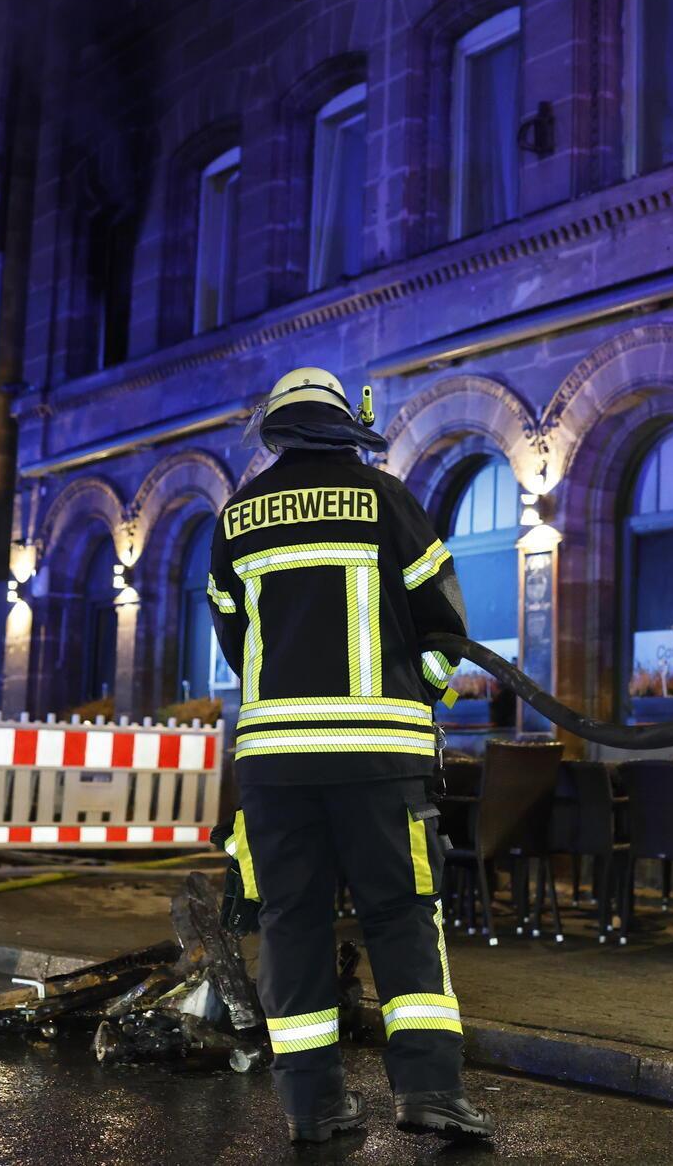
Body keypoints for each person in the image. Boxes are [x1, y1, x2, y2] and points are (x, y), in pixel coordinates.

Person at [209, 366, 493, 1144]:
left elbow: (236, 640)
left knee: (292, 927)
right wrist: (415, 693)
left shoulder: (235, 518)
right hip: (380, 764)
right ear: (343, 426)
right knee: (402, 918)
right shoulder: (388, 499)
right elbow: (446, 627)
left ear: (279, 430)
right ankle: (430, 1092)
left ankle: (311, 1106)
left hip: (274, 768)